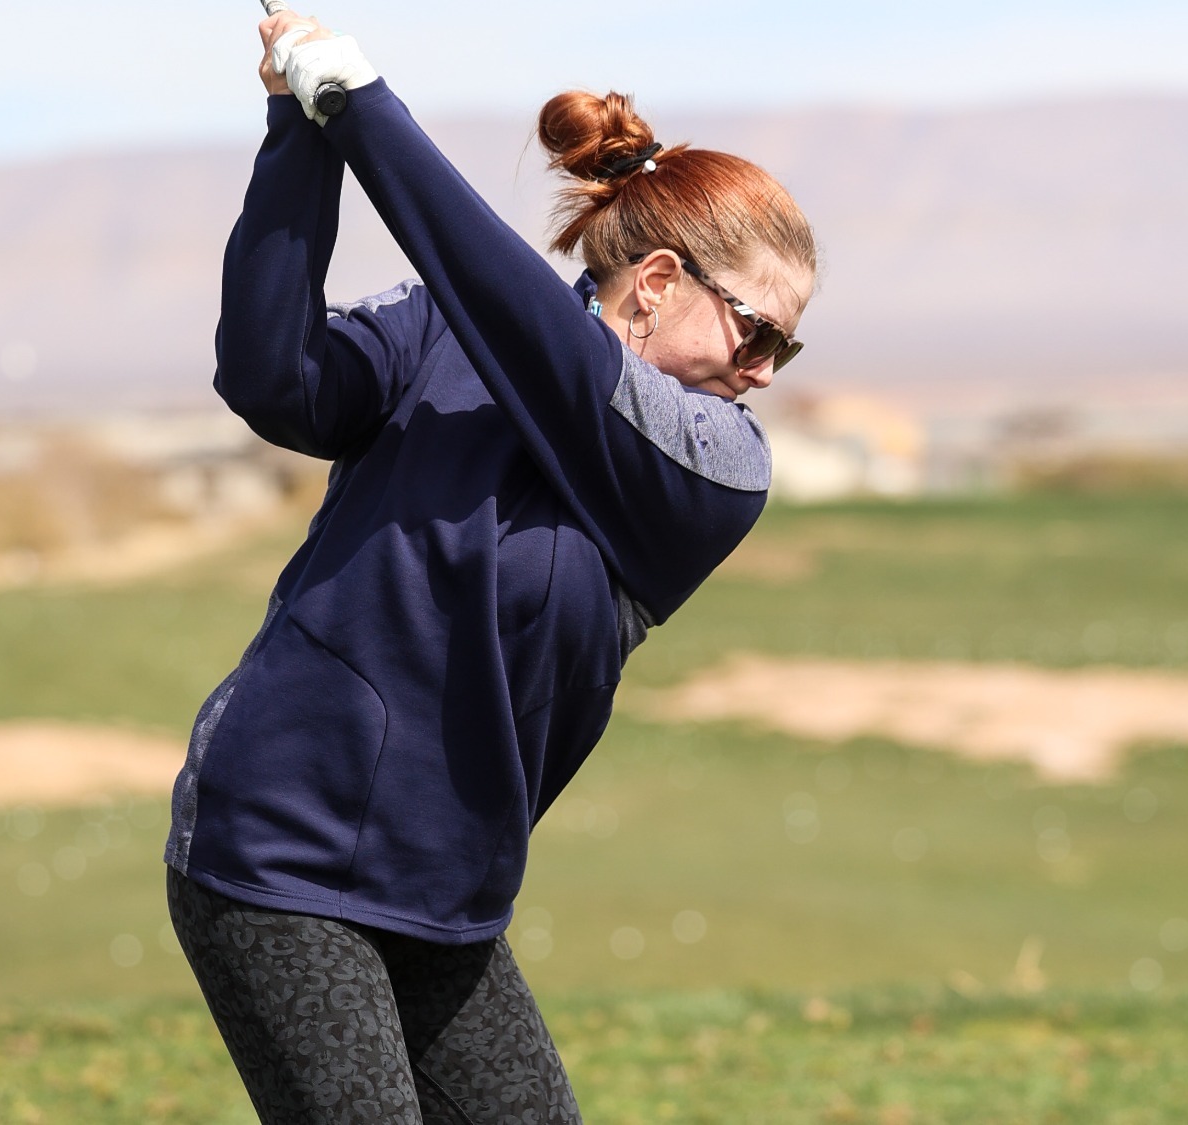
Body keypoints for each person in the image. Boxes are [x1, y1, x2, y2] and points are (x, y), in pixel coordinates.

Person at [162, 11, 816, 1122]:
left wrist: (361, 104)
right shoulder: (434, 336)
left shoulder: (713, 470)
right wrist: (298, 131)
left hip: (447, 894)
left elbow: (537, 342)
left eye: (784, 352)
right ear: (655, 282)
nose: (763, 374)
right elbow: (273, 379)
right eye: (757, 335)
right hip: (278, 851)